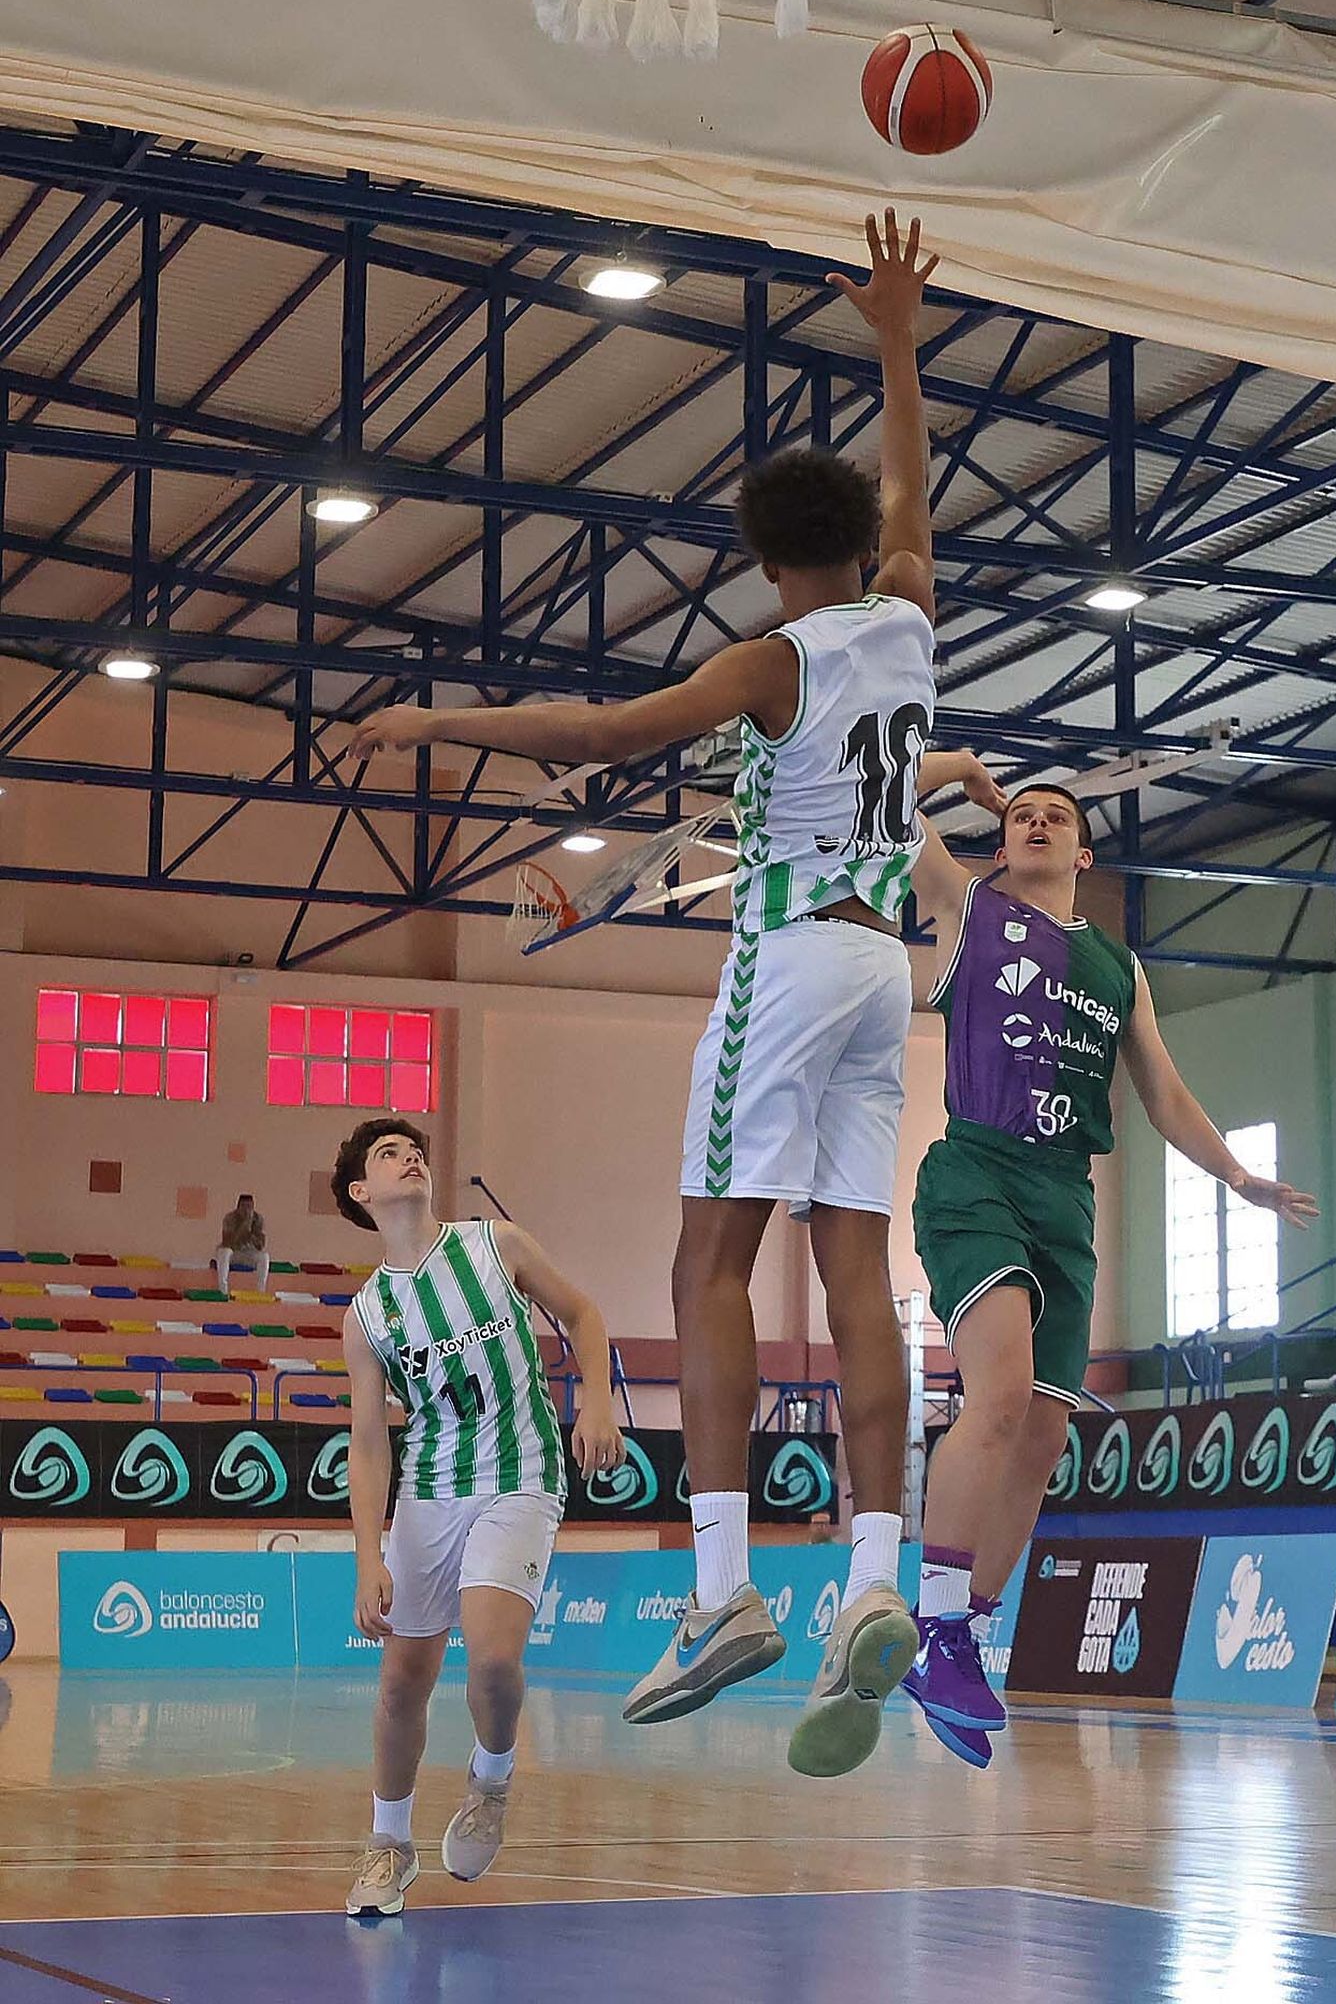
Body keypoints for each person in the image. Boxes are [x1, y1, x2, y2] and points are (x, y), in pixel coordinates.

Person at [350, 211, 941, 1781]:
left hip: (796, 949)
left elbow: (607, 737)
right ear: (854, 536)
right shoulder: (908, 617)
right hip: (891, 972)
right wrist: (895, 336)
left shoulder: (779, 658)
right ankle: (875, 1583)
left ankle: (727, 1590)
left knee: (705, 1267)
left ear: (762, 558)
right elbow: (912, 497)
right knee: (861, 1278)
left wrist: (433, 724)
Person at [898, 767, 1317, 1767]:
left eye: (1055, 818)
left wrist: (1239, 1177)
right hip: (978, 1171)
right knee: (995, 1401)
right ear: (1002, 846)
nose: (1035, 823)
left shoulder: (1118, 969)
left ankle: (967, 1635)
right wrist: (954, 774)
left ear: (1082, 854)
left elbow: (1163, 1095)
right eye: (1019, 817)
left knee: (1041, 1437)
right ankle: (936, 1623)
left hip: (1065, 1194)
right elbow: (881, 790)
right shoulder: (967, 905)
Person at [337, 1118, 623, 1917]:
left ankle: (491, 1780)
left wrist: (596, 1402)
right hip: (428, 1491)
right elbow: (367, 1443)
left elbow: (585, 1315)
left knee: (493, 1660)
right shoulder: (366, 1316)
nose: (410, 1155)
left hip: (520, 1474)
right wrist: (369, 1556)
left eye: (413, 1147)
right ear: (362, 1194)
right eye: (388, 1154)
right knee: (403, 1681)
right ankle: (389, 1846)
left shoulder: (497, 1245)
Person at [212, 1194, 269, 1296]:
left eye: (249, 1207)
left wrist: (251, 1234)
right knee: (224, 1252)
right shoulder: (229, 1218)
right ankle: (223, 1290)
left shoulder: (258, 1219)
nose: (246, 1210)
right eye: (244, 1207)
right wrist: (243, 1227)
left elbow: (261, 1245)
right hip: (233, 1253)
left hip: (248, 1254)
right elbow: (228, 1243)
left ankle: (261, 1291)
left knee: (264, 1257)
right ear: (238, 1207)